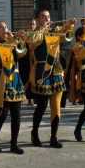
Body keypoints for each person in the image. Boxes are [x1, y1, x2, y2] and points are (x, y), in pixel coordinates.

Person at [27, 9, 72, 148]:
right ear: (38, 19)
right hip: (42, 71)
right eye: (43, 17)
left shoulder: (54, 31)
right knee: (41, 106)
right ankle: (34, 133)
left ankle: (54, 137)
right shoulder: (34, 33)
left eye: (48, 17)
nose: (47, 19)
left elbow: (65, 35)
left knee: (56, 107)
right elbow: (32, 42)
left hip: (57, 70)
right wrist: (43, 30)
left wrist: (68, 25)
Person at [0, 21, 26, 155]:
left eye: (6, 27)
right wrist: (13, 39)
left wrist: (20, 39)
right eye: (1, 27)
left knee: (17, 115)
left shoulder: (12, 43)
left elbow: (22, 53)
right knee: (2, 114)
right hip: (2, 81)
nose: (4, 29)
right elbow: (1, 53)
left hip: (15, 80)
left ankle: (14, 144)